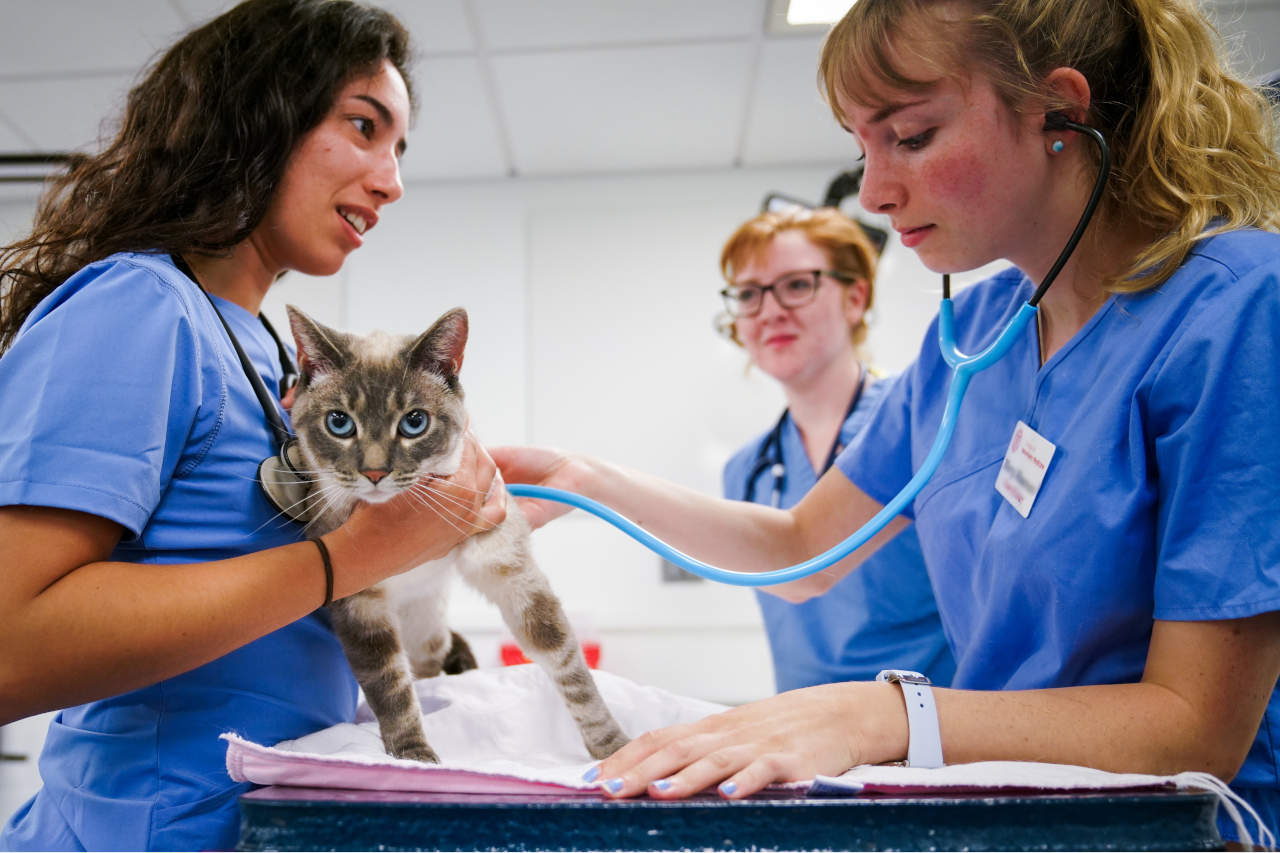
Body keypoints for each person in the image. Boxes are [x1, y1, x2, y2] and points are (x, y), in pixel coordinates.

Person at [492, 0, 1280, 843]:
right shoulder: (970, 340)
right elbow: (802, 550)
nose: (873, 191)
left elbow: (1193, 726)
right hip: (1007, 817)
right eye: (861, 146)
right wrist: (583, 481)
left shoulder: (1238, 306)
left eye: (909, 137)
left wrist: (887, 715)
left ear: (1059, 109)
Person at [0, 2, 504, 849]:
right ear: (259, 111)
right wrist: (349, 558)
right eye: (363, 126)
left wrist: (449, 513)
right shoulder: (139, 308)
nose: (392, 180)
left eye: (399, 149)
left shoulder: (268, 354)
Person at [717, 206, 954, 692]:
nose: (770, 310)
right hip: (800, 737)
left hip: (933, 736)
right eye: (748, 294)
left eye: (797, 285)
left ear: (855, 297)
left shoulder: (924, 421)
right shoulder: (745, 472)